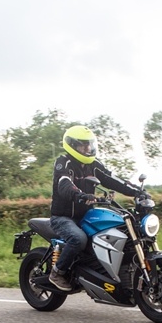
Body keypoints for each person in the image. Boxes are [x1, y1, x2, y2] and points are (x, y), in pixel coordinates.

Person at [48, 124, 142, 291]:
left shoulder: (94, 165)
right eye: (83, 145)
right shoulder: (64, 163)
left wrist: (137, 192)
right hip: (63, 217)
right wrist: (80, 195)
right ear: (72, 145)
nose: (88, 148)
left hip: (87, 215)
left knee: (114, 231)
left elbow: (113, 180)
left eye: (89, 144)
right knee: (78, 239)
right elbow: (64, 184)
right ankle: (57, 272)